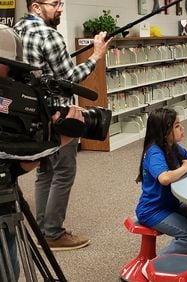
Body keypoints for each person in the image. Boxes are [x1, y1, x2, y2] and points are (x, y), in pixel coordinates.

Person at [13, 0, 111, 250]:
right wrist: (97, 55)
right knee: (63, 172)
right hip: (60, 115)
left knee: (45, 170)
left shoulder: (16, 31)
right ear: (36, 6)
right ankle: (54, 233)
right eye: (55, 3)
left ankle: (44, 229)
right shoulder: (50, 35)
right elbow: (70, 79)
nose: (60, 8)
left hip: (33, 116)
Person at [0, 23, 84, 279]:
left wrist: (46, 143)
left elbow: (12, 167)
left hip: (6, 199)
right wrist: (58, 142)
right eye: (9, 67)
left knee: (11, 269)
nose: (11, 77)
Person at [135, 108, 187, 257]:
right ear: (165, 130)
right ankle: (157, 267)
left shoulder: (172, 145)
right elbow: (164, 178)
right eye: (177, 126)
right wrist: (185, 167)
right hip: (153, 210)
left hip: (170, 204)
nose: (182, 128)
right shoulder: (154, 151)